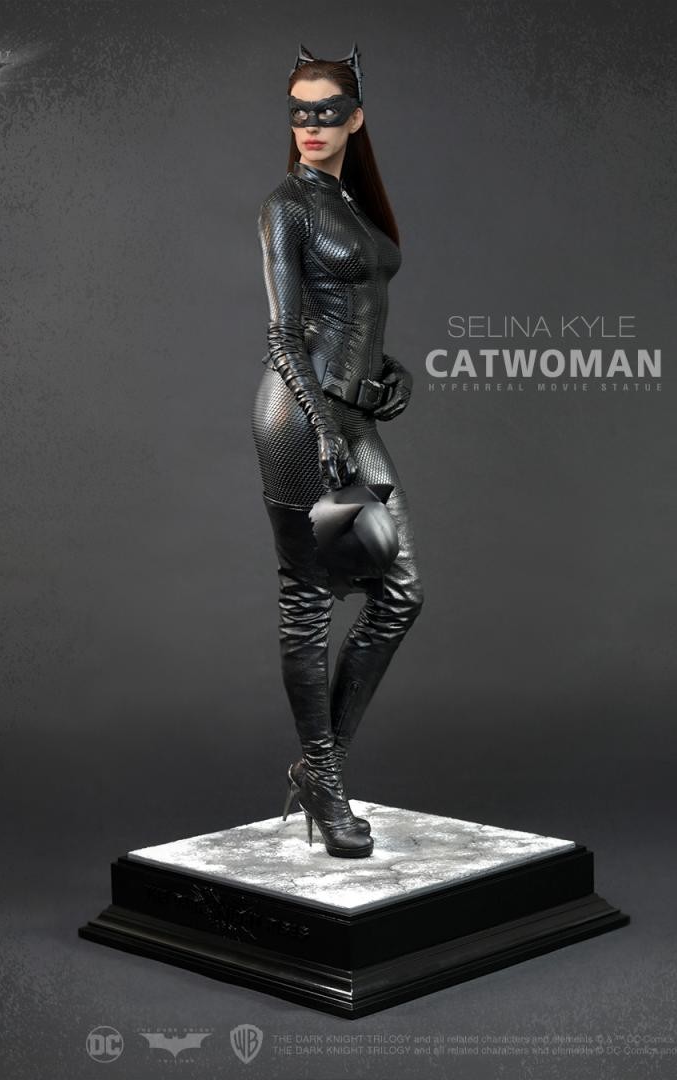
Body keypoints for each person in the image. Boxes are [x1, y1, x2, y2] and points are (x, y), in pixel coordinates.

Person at [251, 44, 424, 859]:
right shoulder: (286, 206)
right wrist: (323, 425)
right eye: (299, 112)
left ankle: (319, 769)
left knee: (400, 594)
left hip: (350, 415)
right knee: (310, 601)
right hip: (298, 417)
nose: (311, 126)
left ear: (356, 118)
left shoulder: (350, 203)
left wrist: (389, 372)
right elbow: (285, 334)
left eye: (326, 112)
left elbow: (354, 315)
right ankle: (323, 776)